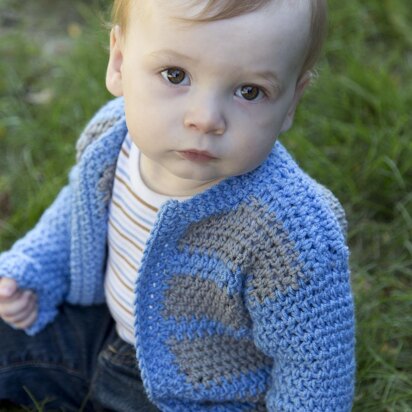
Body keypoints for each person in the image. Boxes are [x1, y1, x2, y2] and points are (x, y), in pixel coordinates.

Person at [0, 0, 356, 411]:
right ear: (119, 63)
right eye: (176, 75)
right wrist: (32, 266)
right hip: (99, 331)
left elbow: (315, 364)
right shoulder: (111, 137)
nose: (205, 119)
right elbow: (76, 216)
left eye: (249, 91)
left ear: (291, 101)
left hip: (200, 392)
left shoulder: (291, 231)